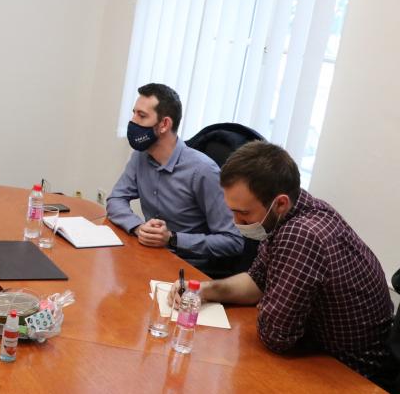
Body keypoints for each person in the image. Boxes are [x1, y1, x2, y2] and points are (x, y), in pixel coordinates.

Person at [168, 141, 395, 383]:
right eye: (232, 211)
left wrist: (268, 303)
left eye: (244, 213)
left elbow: (275, 335)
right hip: (325, 353)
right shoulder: (292, 211)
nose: (236, 222)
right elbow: (257, 281)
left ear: (280, 203)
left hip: (350, 373)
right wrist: (203, 290)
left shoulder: (301, 234)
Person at [106, 83, 243, 273]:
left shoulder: (203, 171)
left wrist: (172, 238)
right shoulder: (141, 156)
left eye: (142, 116)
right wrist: (138, 227)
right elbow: (115, 199)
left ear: (164, 124)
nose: (133, 121)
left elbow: (233, 241)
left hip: (187, 269)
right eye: (134, 113)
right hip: (149, 257)